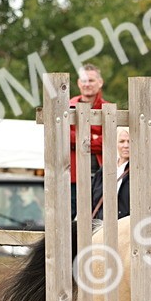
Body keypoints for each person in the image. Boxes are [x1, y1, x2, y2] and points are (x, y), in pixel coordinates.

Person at [88, 127, 151, 219]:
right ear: (115, 143)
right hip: (103, 224)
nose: (126, 145)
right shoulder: (104, 170)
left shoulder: (147, 170)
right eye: (121, 141)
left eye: (130, 141)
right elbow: (91, 201)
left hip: (132, 225)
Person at [68, 63, 107, 216]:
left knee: (98, 217)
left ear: (100, 82)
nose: (87, 84)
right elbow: (65, 137)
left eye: (91, 80)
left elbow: (109, 141)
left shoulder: (108, 108)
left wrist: (77, 140)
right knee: (69, 218)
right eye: (84, 81)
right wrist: (94, 138)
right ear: (78, 83)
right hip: (73, 176)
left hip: (101, 176)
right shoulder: (67, 107)